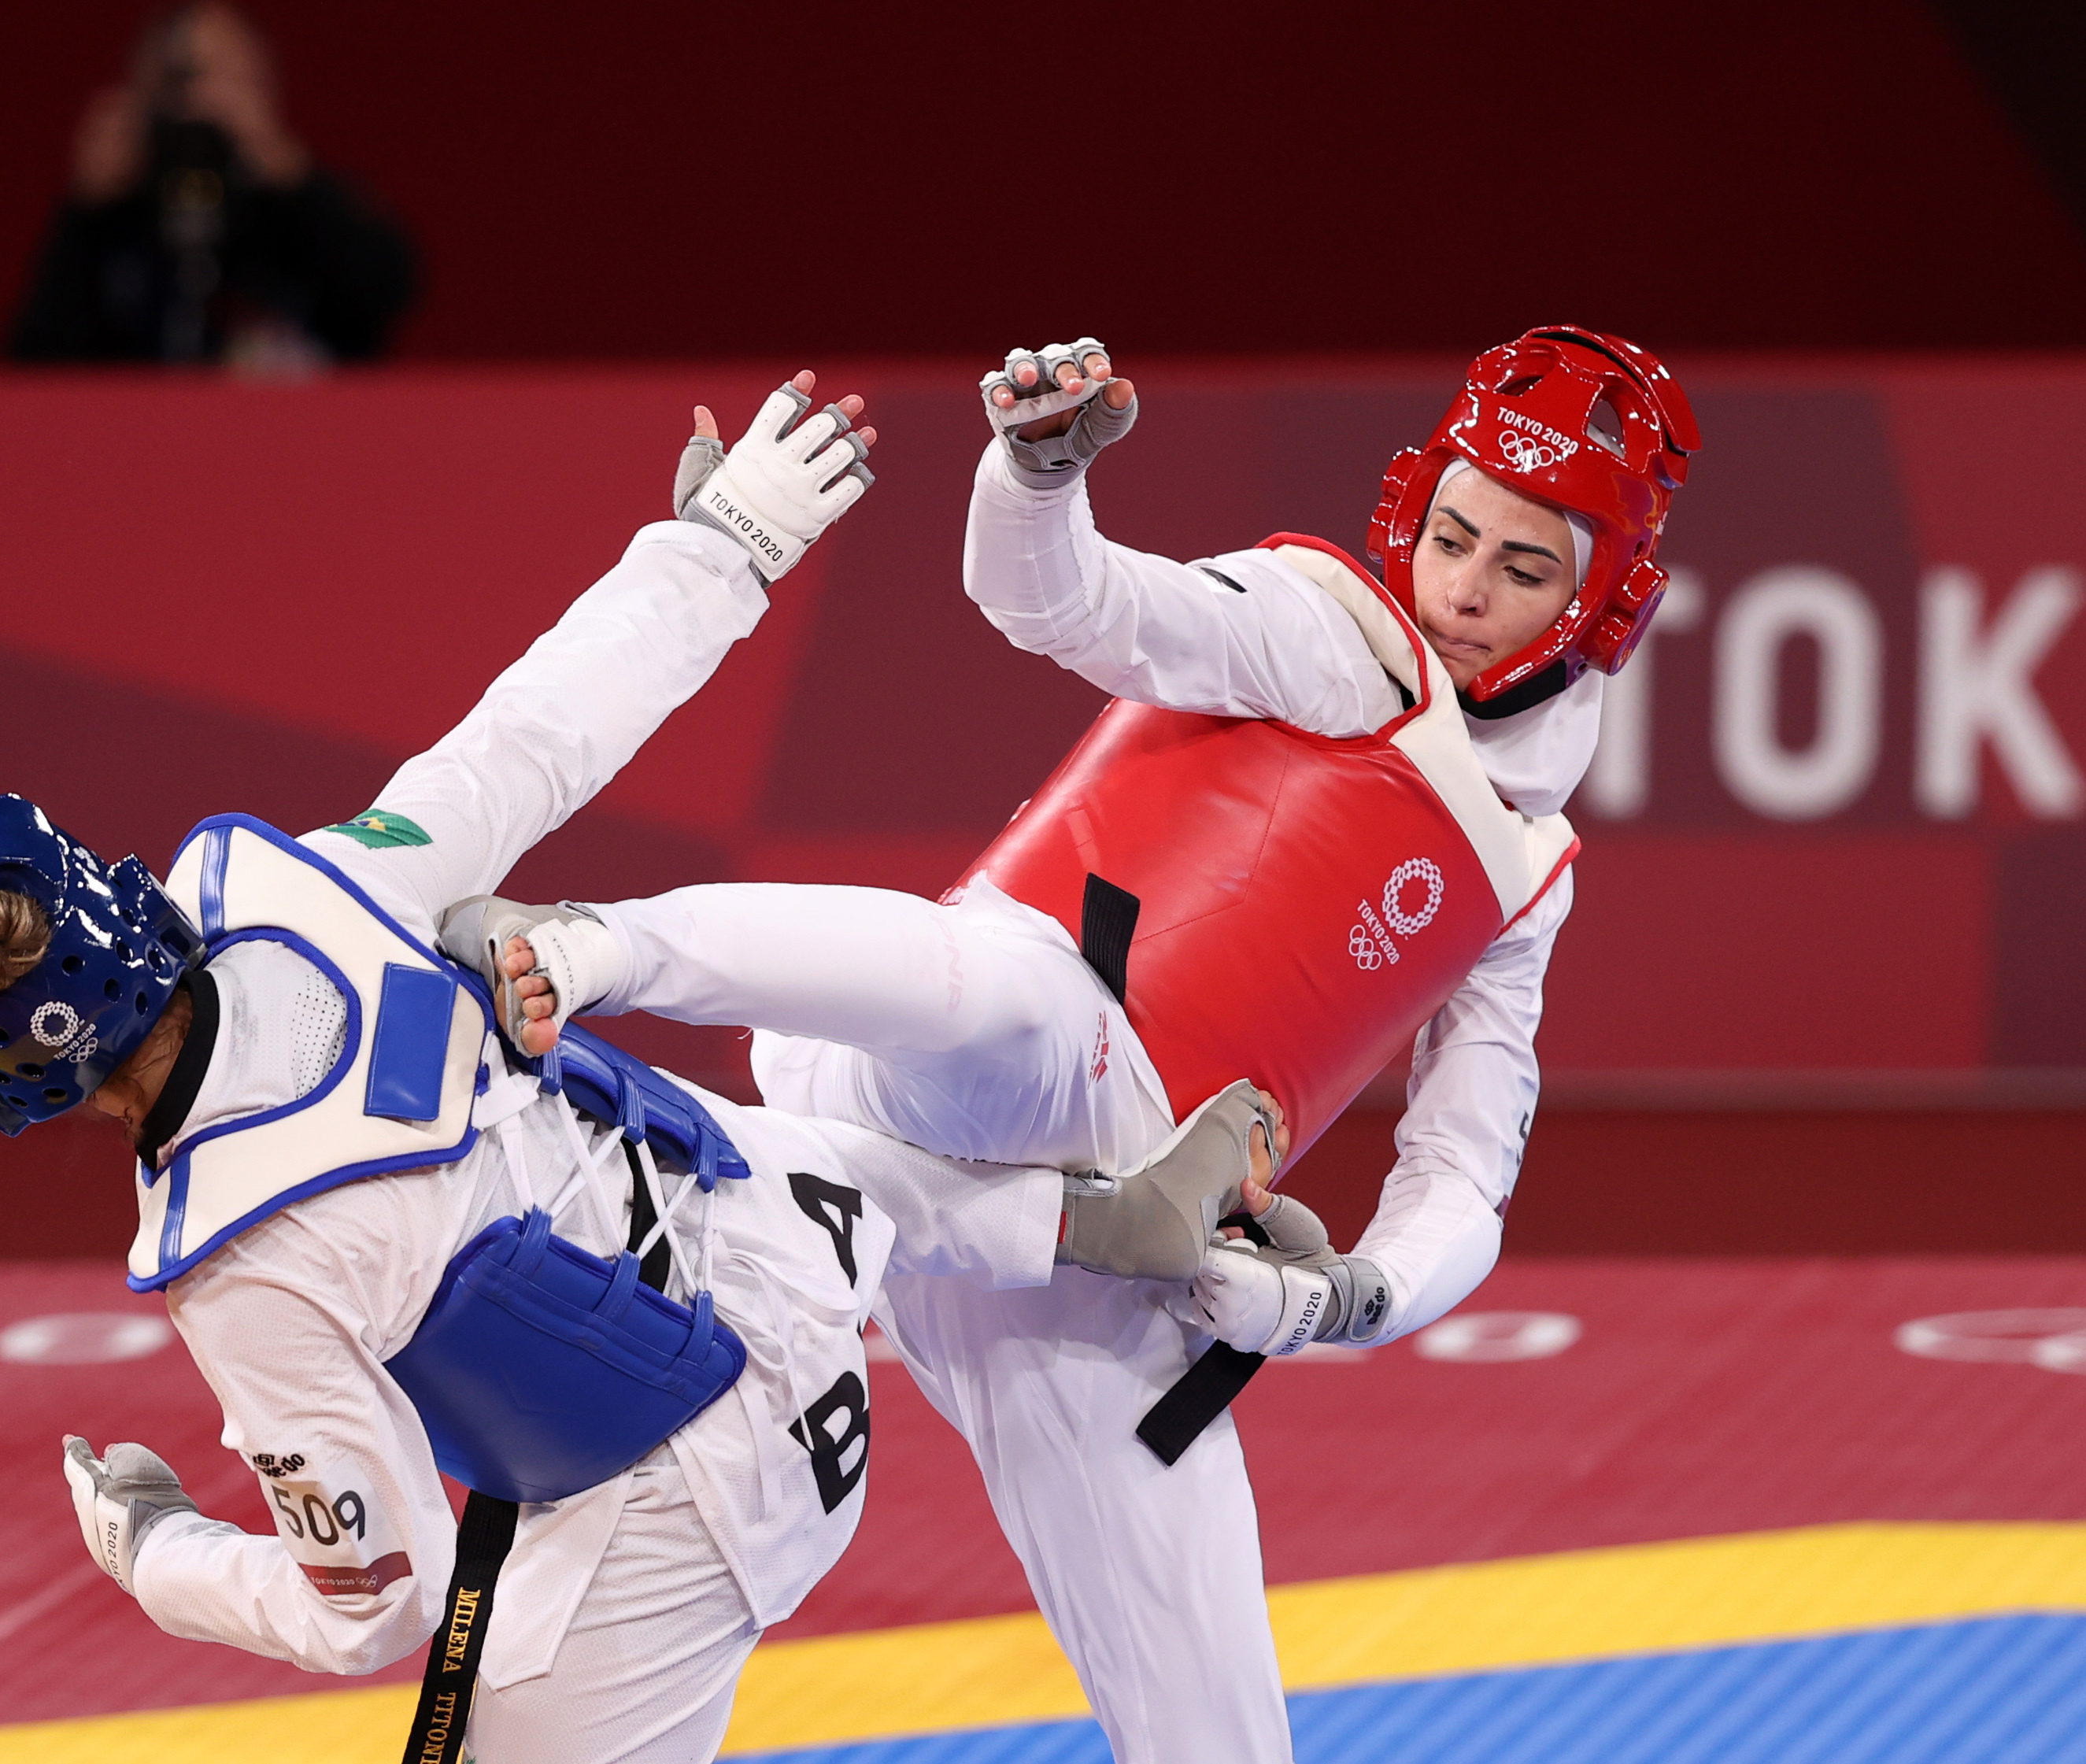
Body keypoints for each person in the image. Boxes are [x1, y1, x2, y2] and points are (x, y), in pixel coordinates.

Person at [0, 372, 1262, 1764]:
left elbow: (374, 1605)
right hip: (792, 1245)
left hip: (688, 1498)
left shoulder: (242, 1260)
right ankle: (1085, 1217)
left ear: (3, 1064)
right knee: (606, 1109)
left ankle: (1082, 1221)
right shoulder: (311, 891)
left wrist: (161, 1552)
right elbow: (531, 740)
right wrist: (729, 539)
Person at [461, 329, 1700, 1762]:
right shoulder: (1326, 633)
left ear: (1600, 606)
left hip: (1106, 1248)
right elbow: (1066, 602)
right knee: (1023, 998)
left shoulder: (1528, 877)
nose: (1463, 587)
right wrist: (1038, 479)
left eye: (1522, 568)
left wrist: (1345, 1298)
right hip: (963, 1064)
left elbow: (1465, 1173)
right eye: (1452, 535)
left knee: (1219, 1731)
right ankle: (576, 947)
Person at [7, 4, 412, 369]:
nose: (198, 102)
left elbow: (386, 294)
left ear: (263, 87)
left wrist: (296, 180)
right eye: (178, 81)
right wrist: (85, 214)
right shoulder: (117, 221)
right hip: (136, 441)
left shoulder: (299, 209)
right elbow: (36, 365)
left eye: (224, 79)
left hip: (286, 438)